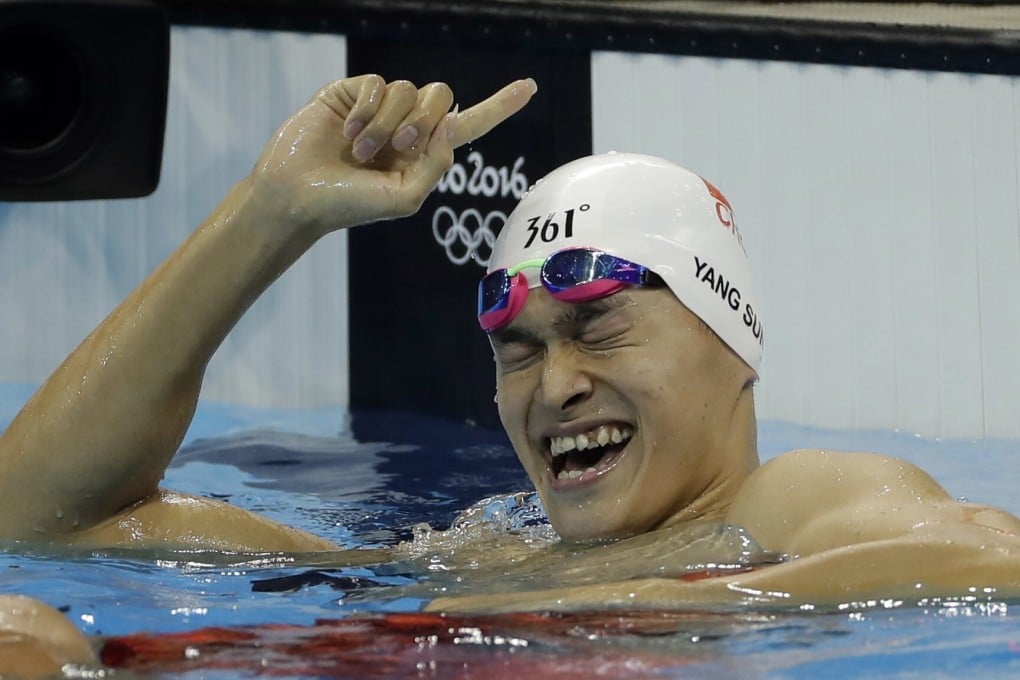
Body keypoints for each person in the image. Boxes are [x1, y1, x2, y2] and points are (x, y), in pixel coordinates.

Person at [1, 70, 1019, 665]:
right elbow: (42, 516)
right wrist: (274, 212)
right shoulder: (488, 559)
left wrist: (634, 600)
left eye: (599, 326)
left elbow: (994, 562)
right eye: (516, 349)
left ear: (732, 340)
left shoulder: (787, 502)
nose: (554, 384)